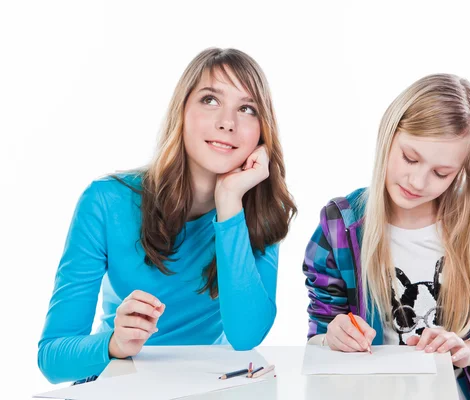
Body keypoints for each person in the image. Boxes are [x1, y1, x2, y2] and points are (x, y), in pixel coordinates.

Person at [38, 47, 296, 384]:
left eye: (246, 109)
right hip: (120, 383)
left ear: (262, 132)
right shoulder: (105, 201)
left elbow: (246, 336)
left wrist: (230, 200)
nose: (227, 123)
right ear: (182, 112)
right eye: (210, 100)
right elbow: (52, 358)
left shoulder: (261, 211)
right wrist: (115, 343)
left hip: (208, 386)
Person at [303, 74, 470, 399]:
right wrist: (330, 337)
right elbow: (318, 338)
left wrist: (468, 351)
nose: (418, 182)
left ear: (462, 171)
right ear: (388, 135)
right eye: (410, 158)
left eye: (441, 173)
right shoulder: (340, 226)